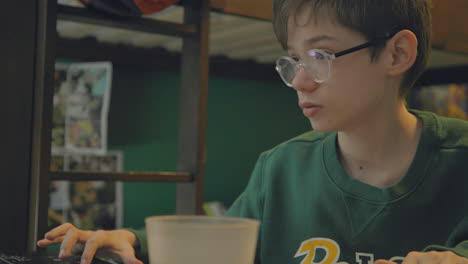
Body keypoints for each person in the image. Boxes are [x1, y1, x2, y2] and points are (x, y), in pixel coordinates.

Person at [38, 0, 468, 263]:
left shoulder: (459, 161)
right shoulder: (280, 169)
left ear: (397, 53)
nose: (300, 81)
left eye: (320, 55)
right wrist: (127, 239)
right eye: (294, 61)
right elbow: (220, 244)